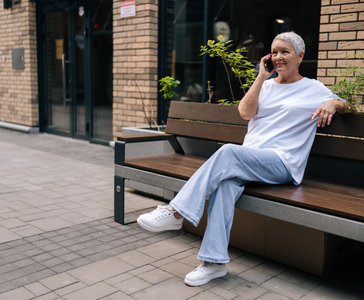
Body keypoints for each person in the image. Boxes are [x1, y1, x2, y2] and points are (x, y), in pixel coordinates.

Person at [136, 31, 348, 287]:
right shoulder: (266, 85)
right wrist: (261, 77)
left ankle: (177, 211)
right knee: (225, 186)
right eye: (275, 52)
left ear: (300, 56)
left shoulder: (313, 88)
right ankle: (213, 263)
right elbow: (245, 112)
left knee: (227, 151)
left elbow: (348, 104)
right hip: (249, 161)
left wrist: (333, 105)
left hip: (281, 163)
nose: (278, 57)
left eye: (285, 52)